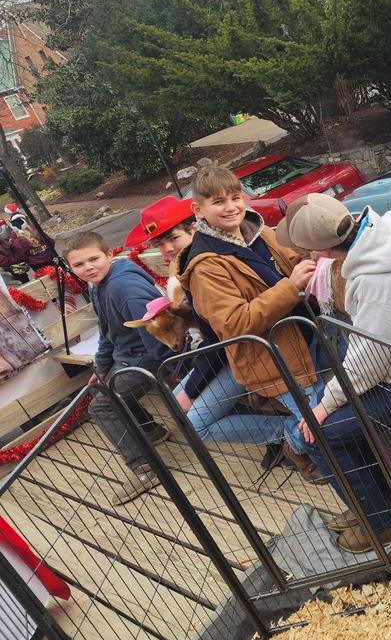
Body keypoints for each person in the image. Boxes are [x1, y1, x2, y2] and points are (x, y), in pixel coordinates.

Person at [275, 193, 391, 552]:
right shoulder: (389, 229)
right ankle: (374, 506)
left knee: (319, 432)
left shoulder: (375, 281)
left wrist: (323, 408)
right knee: (331, 420)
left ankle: (379, 527)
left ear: (323, 254)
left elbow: (368, 365)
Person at [175, 167, 325, 484]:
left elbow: (290, 261)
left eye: (235, 197)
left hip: (302, 338)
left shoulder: (257, 231)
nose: (231, 207)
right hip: (273, 359)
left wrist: (312, 260)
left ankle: (301, 444)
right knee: (317, 427)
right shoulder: (206, 266)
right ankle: (295, 446)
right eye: (218, 202)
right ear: (197, 210)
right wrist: (291, 286)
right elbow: (235, 322)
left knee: (321, 417)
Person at [124, 196, 289, 465]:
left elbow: (219, 342)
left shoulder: (203, 269)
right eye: (159, 244)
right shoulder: (184, 268)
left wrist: (192, 391)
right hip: (227, 352)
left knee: (193, 423)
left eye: (172, 239)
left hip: (247, 353)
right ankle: (273, 434)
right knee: (179, 400)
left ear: (194, 228)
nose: (166, 249)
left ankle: (285, 434)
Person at [62, 231, 173, 506]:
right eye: (79, 265)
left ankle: (146, 468)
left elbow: (158, 332)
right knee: (99, 387)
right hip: (127, 354)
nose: (88, 268)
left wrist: (168, 371)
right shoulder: (96, 285)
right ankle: (150, 430)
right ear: (71, 268)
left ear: (109, 254)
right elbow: (107, 331)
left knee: (102, 406)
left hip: (147, 357)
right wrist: (100, 368)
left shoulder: (125, 288)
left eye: (94, 259)